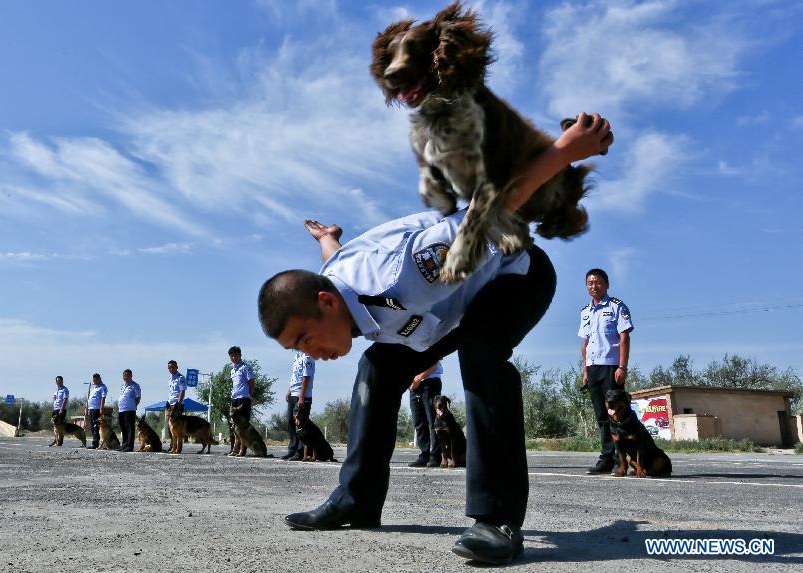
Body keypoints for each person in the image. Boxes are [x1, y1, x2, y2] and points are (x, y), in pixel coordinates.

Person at [257, 113, 613, 565]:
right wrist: (328, 238)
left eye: (304, 339)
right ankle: (357, 499)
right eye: (297, 349)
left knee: (481, 353)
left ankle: (497, 519)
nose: (310, 353)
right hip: (449, 307)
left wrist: (566, 151)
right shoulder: (334, 285)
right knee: (378, 367)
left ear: (326, 304)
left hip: (513, 275)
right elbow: (334, 263)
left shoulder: (406, 275)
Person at [580, 268, 634, 474]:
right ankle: (607, 458)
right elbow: (585, 344)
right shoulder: (585, 311)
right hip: (593, 368)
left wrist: (622, 366)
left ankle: (626, 457)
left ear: (607, 284)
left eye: (598, 282)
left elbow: (624, 338)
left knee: (617, 413)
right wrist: (585, 370)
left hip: (611, 366)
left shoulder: (617, 307)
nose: (594, 286)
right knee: (602, 415)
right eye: (590, 283)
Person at [408, 361, 443, 467]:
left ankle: (435, 456)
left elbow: (435, 361)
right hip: (414, 386)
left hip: (430, 382)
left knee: (433, 421)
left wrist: (419, 378)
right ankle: (424, 455)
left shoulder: (428, 343)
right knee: (418, 421)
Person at [282, 351, 316, 461]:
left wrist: (301, 397)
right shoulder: (297, 356)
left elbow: (306, 377)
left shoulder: (308, 357)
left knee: (301, 425)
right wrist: (289, 390)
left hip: (302, 395)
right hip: (293, 393)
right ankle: (292, 451)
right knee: (290, 422)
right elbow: (294, 376)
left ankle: (300, 453)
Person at [227, 346, 255, 455]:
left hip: (244, 399)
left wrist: (249, 395)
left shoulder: (246, 367)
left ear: (240, 355)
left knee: (243, 425)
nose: (234, 357)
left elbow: (251, 383)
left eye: (236, 355)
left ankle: (242, 450)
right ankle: (233, 449)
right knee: (233, 425)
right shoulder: (232, 370)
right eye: (232, 356)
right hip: (234, 399)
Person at [117, 369, 142, 452]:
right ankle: (124, 444)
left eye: (127, 376)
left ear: (131, 376)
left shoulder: (135, 386)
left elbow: (138, 398)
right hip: (121, 409)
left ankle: (129, 446)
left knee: (130, 428)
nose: (125, 377)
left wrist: (133, 406)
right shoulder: (123, 386)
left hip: (130, 409)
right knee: (123, 428)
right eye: (124, 376)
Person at [166, 359, 186, 450]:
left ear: (176, 367)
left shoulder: (180, 378)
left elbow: (182, 391)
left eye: (172, 367)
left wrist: (178, 403)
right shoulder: (170, 379)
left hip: (177, 405)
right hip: (170, 405)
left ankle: (179, 448)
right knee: (170, 427)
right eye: (169, 367)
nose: (171, 369)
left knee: (178, 428)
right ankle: (172, 446)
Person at [86, 373, 108, 449]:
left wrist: (101, 408)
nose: (94, 381)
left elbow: (103, 398)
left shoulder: (103, 387)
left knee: (96, 427)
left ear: (99, 379)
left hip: (97, 409)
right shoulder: (95, 388)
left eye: (95, 380)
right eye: (93, 380)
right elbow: (90, 399)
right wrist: (88, 408)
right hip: (91, 408)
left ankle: (95, 443)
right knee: (92, 426)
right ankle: (94, 442)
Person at [49, 376, 69, 447]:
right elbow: (54, 397)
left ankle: (59, 442)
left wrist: (61, 409)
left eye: (60, 381)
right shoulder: (56, 390)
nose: (59, 382)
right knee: (55, 426)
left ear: (62, 381)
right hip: (56, 409)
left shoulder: (65, 390)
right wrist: (54, 402)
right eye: (57, 381)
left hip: (61, 409)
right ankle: (56, 440)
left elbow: (65, 399)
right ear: (56, 382)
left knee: (60, 426)